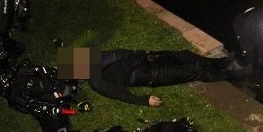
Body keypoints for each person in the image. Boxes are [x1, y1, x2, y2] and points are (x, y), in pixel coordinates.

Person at [88, 49, 243, 107]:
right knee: (191, 71)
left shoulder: (91, 56)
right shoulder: (95, 81)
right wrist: (144, 100)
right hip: (148, 74)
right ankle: (232, 75)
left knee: (184, 55)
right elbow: (117, 93)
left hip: (147, 57)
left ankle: (219, 63)